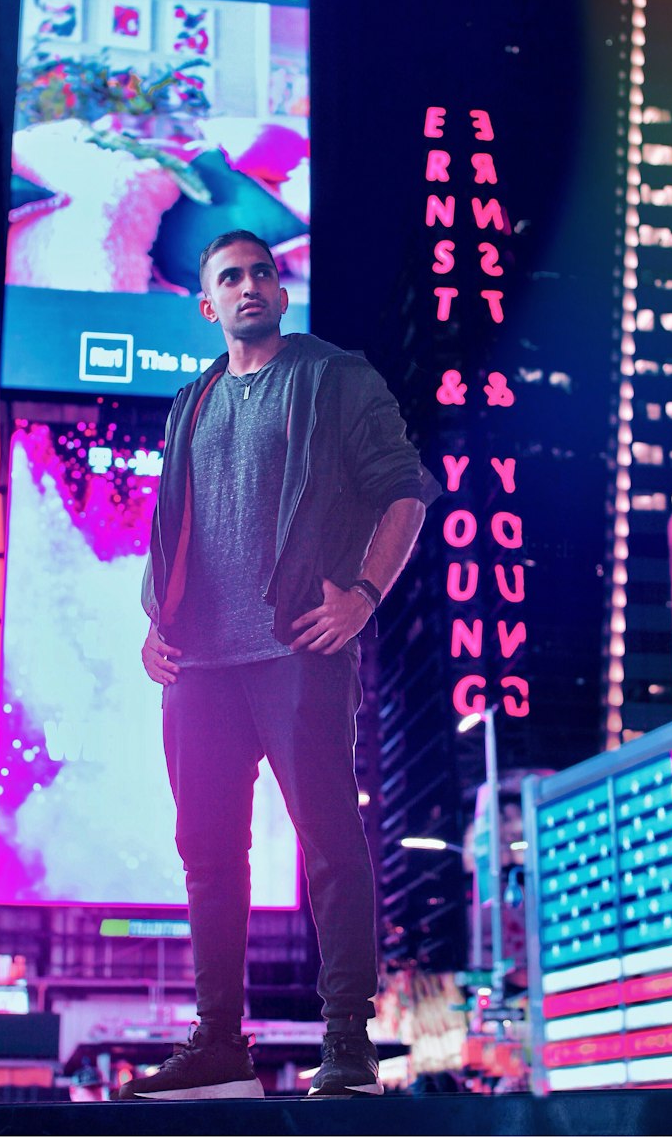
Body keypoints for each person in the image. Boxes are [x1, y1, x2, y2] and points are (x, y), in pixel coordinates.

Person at [118, 230, 438, 1101]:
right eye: (231, 277)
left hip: (297, 646)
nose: (250, 285)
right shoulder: (191, 400)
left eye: (263, 271)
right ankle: (220, 1040)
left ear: (280, 290)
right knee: (207, 854)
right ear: (206, 304)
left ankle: (347, 1042)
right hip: (199, 667)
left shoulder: (335, 378)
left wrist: (365, 595)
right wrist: (154, 622)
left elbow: (406, 488)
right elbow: (174, 527)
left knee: (329, 838)